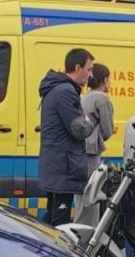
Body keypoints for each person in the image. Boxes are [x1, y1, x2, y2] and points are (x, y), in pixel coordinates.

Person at [38, 48, 96, 227]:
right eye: (89, 69)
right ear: (77, 68)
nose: (91, 75)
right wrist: (90, 121)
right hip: (64, 166)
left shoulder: (56, 88)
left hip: (57, 165)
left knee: (53, 219)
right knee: (60, 224)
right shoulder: (65, 91)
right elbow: (79, 129)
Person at [78, 64, 115, 227]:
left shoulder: (84, 97)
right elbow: (108, 130)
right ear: (105, 79)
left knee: (81, 197)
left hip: (80, 150)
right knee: (91, 195)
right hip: (92, 151)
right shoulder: (102, 99)